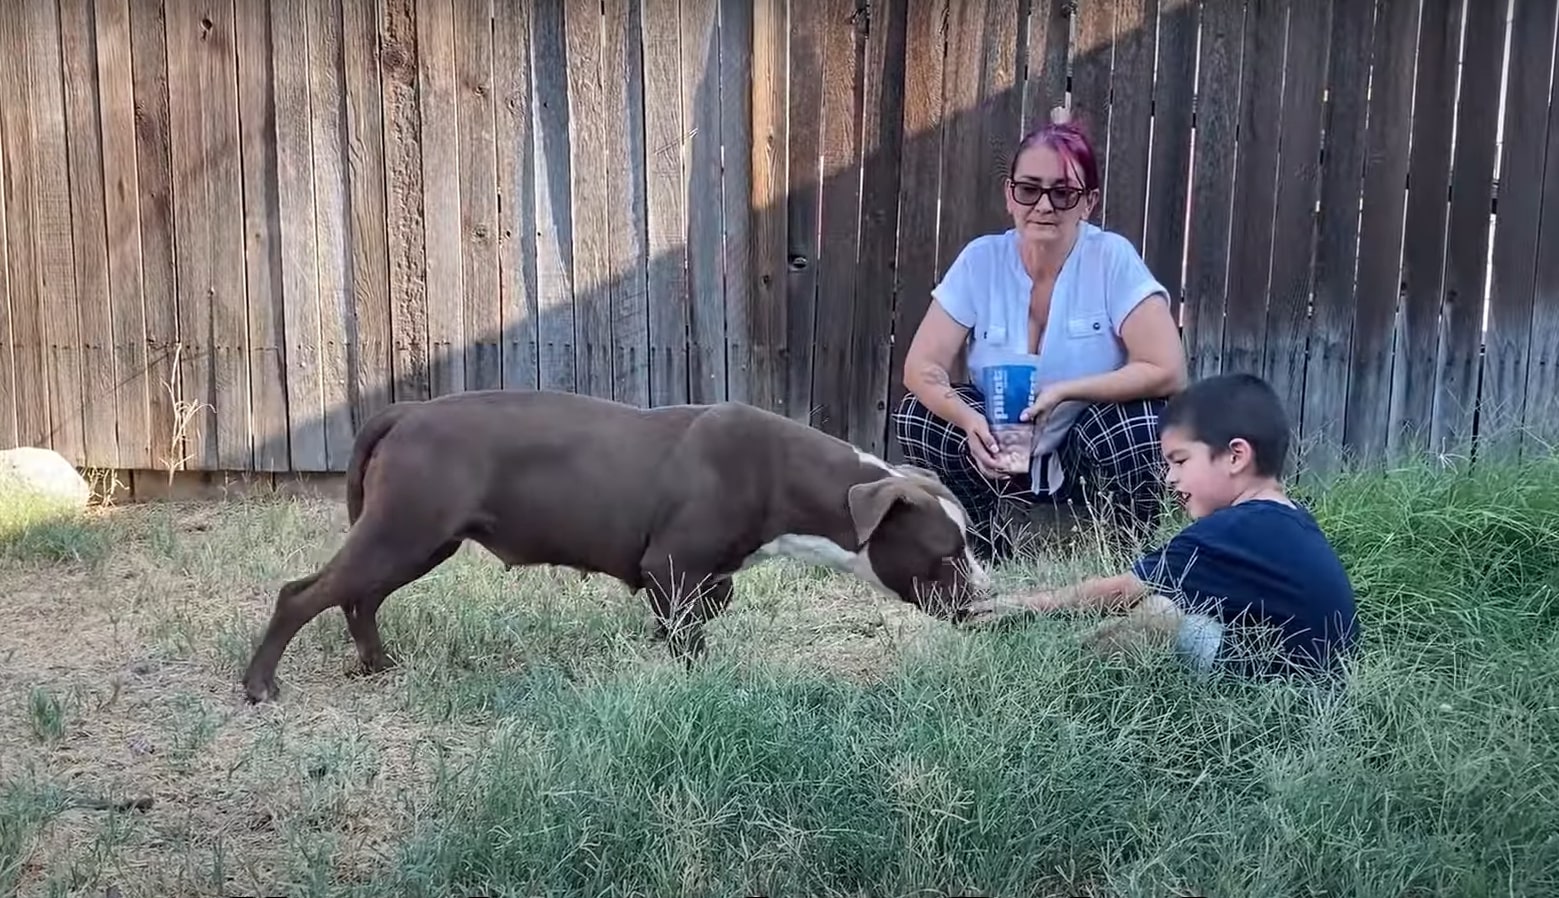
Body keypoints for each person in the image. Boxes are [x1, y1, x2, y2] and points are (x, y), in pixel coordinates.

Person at [894, 106, 1187, 563]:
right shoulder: (980, 260)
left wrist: (1068, 391)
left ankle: (1130, 557)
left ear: (1089, 201)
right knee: (919, 415)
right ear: (1009, 195)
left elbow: (1168, 369)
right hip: (1000, 440)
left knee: (1139, 425)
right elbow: (920, 367)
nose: (1044, 206)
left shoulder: (1111, 258)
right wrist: (968, 421)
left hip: (1082, 444)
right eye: (1029, 190)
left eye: (1063, 193)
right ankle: (984, 549)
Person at [966, 373, 1361, 681]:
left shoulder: (1236, 528)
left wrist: (1027, 605)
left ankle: (1063, 673)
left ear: (1236, 456)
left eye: (1180, 461)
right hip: (1315, 682)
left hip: (1279, 690)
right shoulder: (1289, 518)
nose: (1169, 478)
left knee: (1157, 614)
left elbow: (1122, 591)